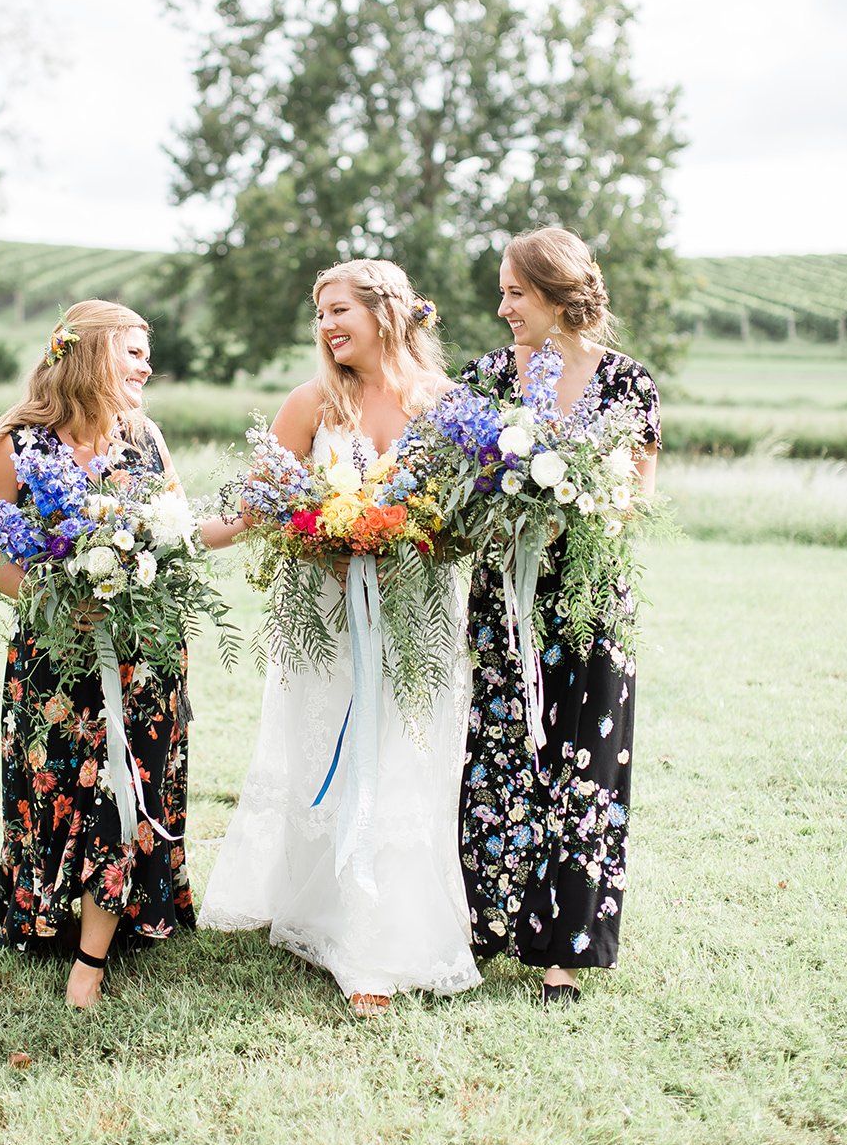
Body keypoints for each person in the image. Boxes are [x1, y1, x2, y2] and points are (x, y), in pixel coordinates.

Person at [199, 259, 480, 1014]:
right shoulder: (312, 403)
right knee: (324, 755)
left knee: (398, 760)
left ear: (384, 312)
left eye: (337, 310)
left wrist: (408, 535)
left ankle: (376, 948)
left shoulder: (449, 405)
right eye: (318, 313)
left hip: (416, 616)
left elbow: (468, 523)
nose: (325, 326)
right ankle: (326, 912)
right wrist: (172, 539)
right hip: (322, 619)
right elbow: (255, 504)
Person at [0, 299, 193, 1008]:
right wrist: (50, 592)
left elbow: (177, 530)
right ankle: (48, 910)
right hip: (56, 654)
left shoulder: (145, 436)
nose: (146, 366)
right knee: (55, 786)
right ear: (93, 354)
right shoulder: (20, 444)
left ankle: (94, 956)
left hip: (146, 653)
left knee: (125, 785)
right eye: (134, 351)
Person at [457, 229, 660, 1004]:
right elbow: (452, 488)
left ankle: (563, 952)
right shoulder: (483, 381)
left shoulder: (627, 384)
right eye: (503, 291)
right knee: (495, 756)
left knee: (585, 767)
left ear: (556, 295)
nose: (502, 306)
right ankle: (484, 927)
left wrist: (575, 508)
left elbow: (638, 497)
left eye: (514, 291)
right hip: (500, 600)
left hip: (588, 600)